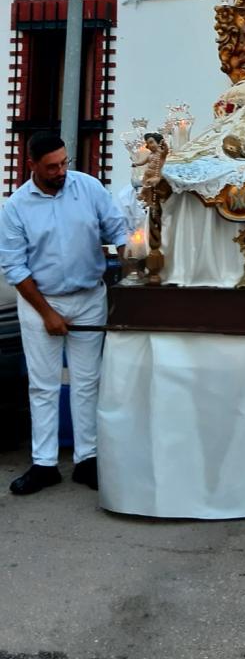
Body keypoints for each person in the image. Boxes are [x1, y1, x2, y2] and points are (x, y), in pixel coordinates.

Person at [0, 131, 127, 496]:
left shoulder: (87, 187)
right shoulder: (17, 206)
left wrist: (132, 254)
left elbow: (116, 227)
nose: (60, 170)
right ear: (33, 165)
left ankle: (87, 459)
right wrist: (47, 314)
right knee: (43, 384)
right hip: (41, 300)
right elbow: (15, 267)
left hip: (89, 295)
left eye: (64, 162)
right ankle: (44, 463)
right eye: (52, 166)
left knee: (88, 381)